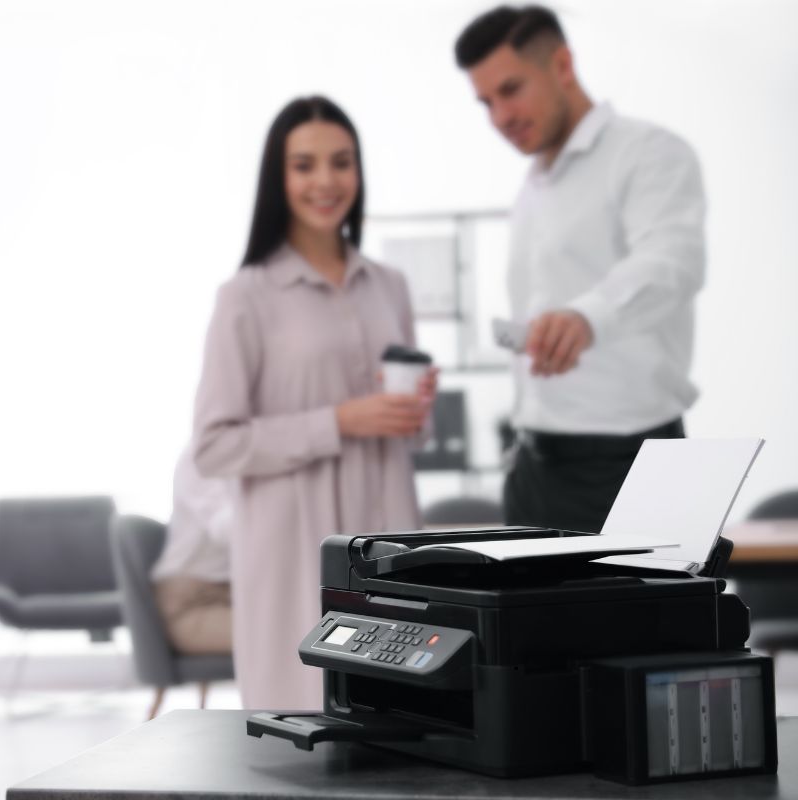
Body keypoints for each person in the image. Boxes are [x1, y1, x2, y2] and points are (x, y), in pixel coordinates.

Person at [192, 96, 436, 709]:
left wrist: (413, 414)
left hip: (386, 539)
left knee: (400, 720)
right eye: (304, 165)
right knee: (300, 726)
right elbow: (214, 445)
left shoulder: (390, 286)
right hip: (289, 549)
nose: (326, 181)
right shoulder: (244, 296)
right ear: (279, 179)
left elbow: (411, 437)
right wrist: (339, 421)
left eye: (341, 162)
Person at [455, 6, 703, 533]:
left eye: (511, 89)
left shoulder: (648, 153)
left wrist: (586, 318)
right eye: (485, 102)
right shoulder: (532, 187)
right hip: (533, 471)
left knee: (641, 619)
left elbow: (672, 261)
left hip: (630, 468)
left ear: (562, 65)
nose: (499, 116)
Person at [152, 442, 233, 657]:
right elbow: (226, 528)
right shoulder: (200, 456)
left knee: (303, 624)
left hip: (232, 595)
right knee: (286, 634)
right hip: (190, 603)